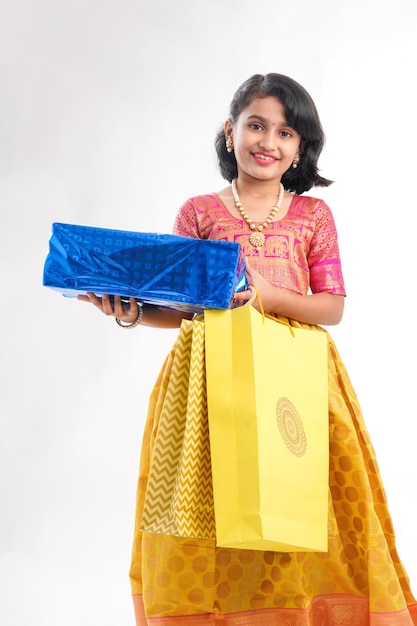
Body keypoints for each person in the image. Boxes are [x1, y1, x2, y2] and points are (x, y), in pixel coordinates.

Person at [79, 73, 417, 625]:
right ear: (230, 131)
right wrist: (134, 313)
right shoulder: (199, 212)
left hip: (298, 380)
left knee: (303, 503)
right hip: (211, 383)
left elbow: (332, 307)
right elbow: (185, 307)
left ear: (300, 148)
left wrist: (265, 295)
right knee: (210, 507)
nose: (268, 142)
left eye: (286, 133)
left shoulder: (313, 216)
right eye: (256, 125)